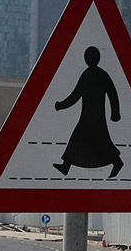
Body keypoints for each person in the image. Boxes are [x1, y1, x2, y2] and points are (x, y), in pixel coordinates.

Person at [52, 46, 123, 178]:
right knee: (86, 139)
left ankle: (117, 162)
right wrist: (61, 105)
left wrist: (115, 113)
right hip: (89, 116)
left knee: (98, 140)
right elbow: (76, 95)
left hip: (93, 117)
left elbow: (112, 94)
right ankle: (66, 166)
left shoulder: (95, 75)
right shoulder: (92, 75)